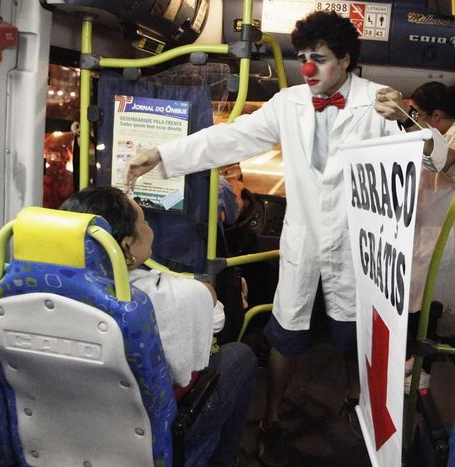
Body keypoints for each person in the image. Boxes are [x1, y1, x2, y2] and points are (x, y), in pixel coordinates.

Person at [124, 11, 445, 467]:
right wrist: (162, 153)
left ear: (347, 59)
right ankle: (271, 415)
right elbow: (229, 138)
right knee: (285, 330)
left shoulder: (380, 102)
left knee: (358, 334)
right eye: (304, 58)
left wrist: (408, 122)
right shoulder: (288, 103)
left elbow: (434, 160)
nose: (309, 68)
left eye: (321, 59)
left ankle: (358, 403)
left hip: (357, 246)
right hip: (303, 240)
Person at [60, 185, 257, 467]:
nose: (150, 228)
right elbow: (216, 321)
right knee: (240, 356)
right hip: (154, 434)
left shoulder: (34, 287)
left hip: (71, 426)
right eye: (144, 221)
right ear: (126, 245)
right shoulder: (158, 296)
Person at [399, 82, 455, 394]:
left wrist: (407, 123)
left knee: (433, 307)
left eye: (417, 114)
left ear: (435, 115)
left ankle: (426, 371)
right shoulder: (433, 135)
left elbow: (445, 160)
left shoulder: (450, 136)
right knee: (420, 301)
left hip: (445, 241)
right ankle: (414, 360)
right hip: (425, 233)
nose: (413, 118)